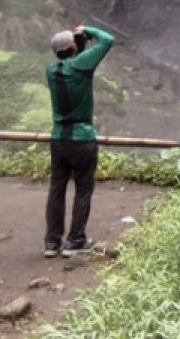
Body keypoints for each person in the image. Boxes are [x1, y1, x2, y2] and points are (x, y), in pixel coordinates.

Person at [44, 24, 114, 258]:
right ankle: (75, 241)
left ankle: (52, 243)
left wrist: (76, 42)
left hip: (58, 138)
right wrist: (86, 29)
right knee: (83, 190)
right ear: (74, 47)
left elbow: (72, 58)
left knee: (57, 189)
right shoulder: (81, 66)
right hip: (82, 138)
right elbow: (107, 40)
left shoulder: (51, 71)